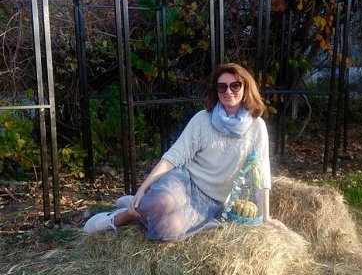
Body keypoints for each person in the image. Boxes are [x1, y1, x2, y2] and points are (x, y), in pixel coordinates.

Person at [84, 63, 286, 239]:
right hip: (185, 181)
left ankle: (144, 205)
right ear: (216, 91)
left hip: (211, 200)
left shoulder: (257, 127)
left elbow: (262, 172)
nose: (228, 91)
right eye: (222, 86)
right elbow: (173, 156)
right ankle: (120, 217)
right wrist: (142, 188)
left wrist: (266, 217)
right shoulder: (202, 119)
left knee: (169, 230)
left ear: (246, 88)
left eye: (235, 85)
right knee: (161, 202)